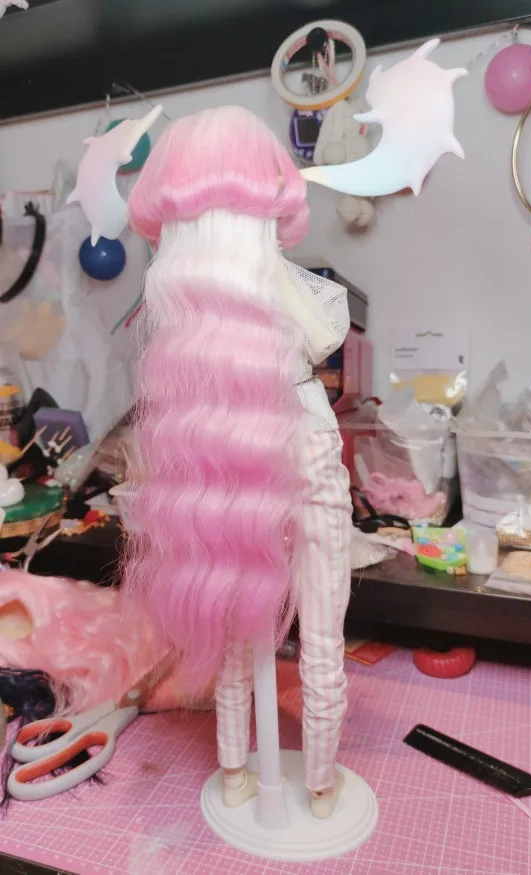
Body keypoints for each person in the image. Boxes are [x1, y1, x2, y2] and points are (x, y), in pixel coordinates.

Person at [124, 105, 353, 818]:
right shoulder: (295, 293)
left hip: (217, 458)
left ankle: (234, 770)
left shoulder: (179, 307)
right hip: (304, 437)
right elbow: (325, 332)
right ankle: (320, 783)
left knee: (229, 605)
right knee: (320, 628)